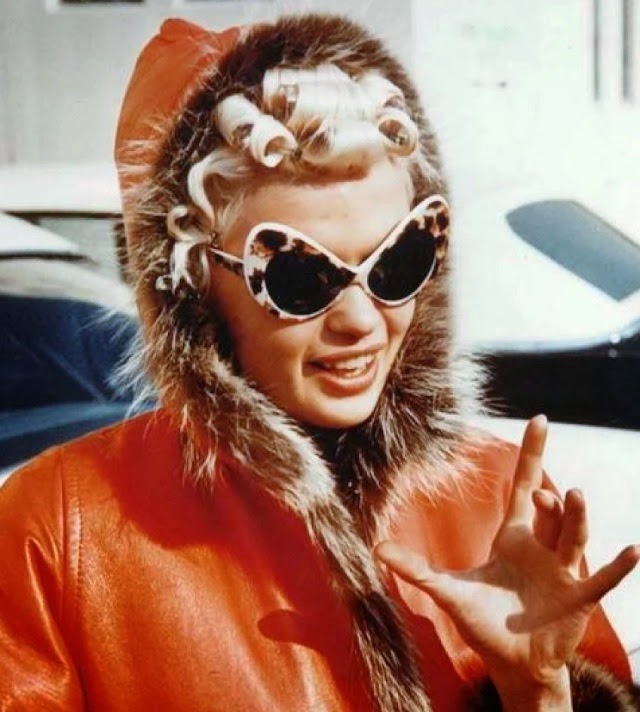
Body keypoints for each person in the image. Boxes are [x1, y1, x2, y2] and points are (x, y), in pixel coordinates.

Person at [0, 13, 637, 711]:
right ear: (194, 285)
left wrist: (539, 690)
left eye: (399, 259)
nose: (362, 320)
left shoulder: (497, 495)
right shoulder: (59, 528)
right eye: (301, 276)